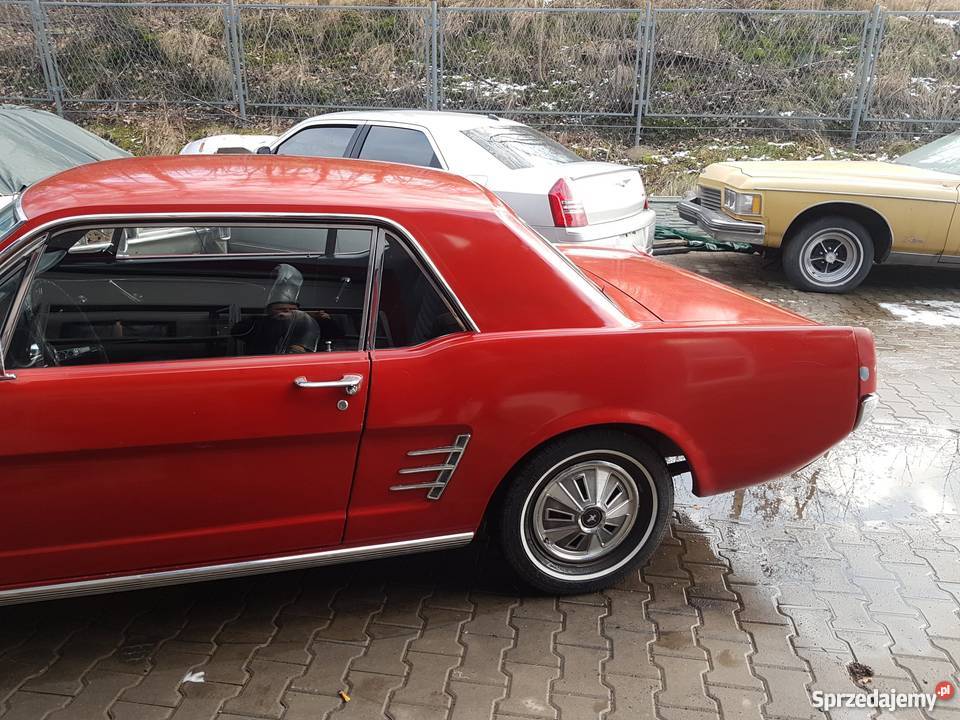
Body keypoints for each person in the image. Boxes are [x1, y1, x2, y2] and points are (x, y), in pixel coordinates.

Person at [233, 263, 322, 355]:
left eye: (292, 310)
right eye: (281, 309)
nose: (287, 312)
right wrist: (272, 319)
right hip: (260, 363)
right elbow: (236, 331)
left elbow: (331, 334)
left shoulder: (303, 323)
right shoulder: (258, 324)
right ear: (269, 311)